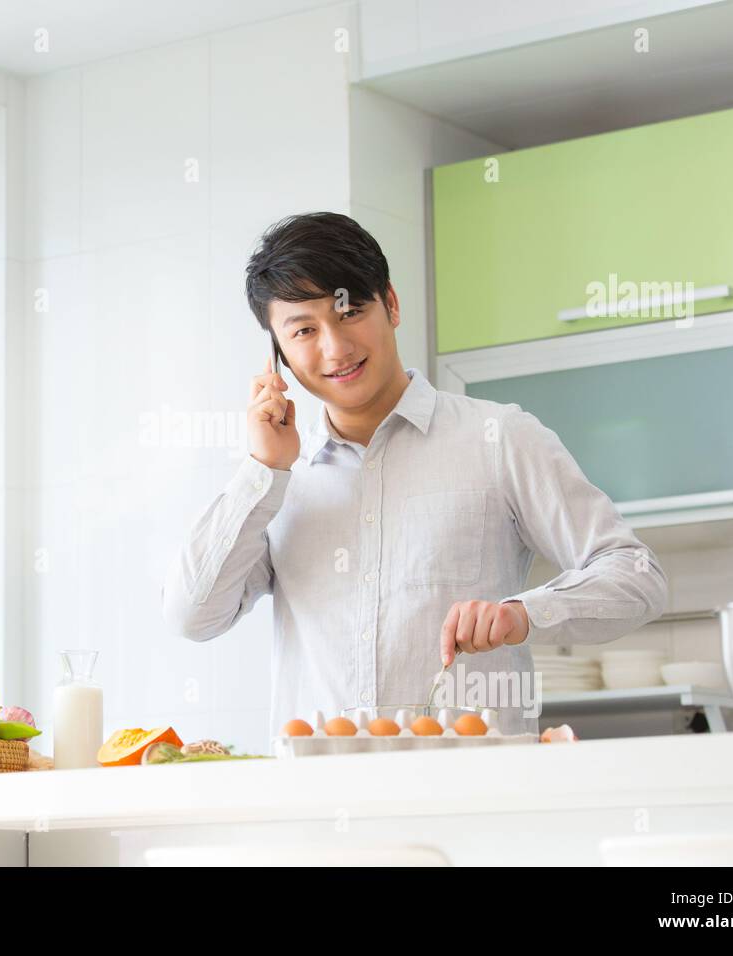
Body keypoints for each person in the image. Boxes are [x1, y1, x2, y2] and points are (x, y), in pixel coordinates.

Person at [161, 211, 669, 735]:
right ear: (278, 355)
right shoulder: (276, 481)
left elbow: (636, 576)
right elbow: (191, 617)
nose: (335, 348)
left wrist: (524, 614)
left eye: (351, 312)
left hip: (468, 799)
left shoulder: (500, 438)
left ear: (392, 305)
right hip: (317, 799)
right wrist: (262, 469)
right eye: (304, 331)